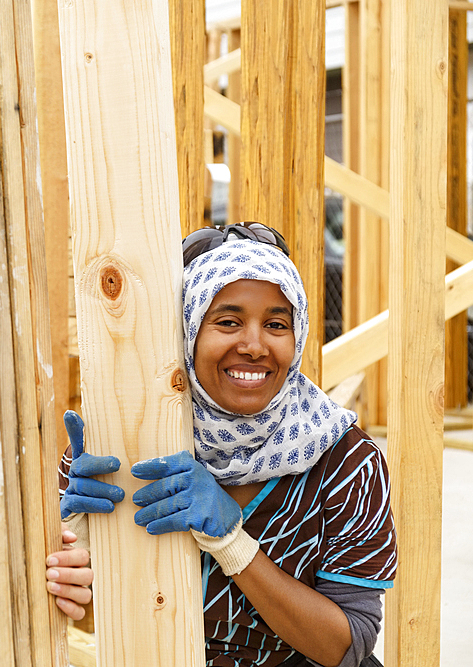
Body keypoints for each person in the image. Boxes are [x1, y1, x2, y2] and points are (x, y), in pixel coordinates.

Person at [47, 223, 397, 667]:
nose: (254, 346)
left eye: (275, 324)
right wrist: (72, 560)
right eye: (228, 321)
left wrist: (233, 543)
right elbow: (92, 614)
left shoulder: (346, 461)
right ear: (188, 334)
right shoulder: (122, 450)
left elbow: (347, 647)